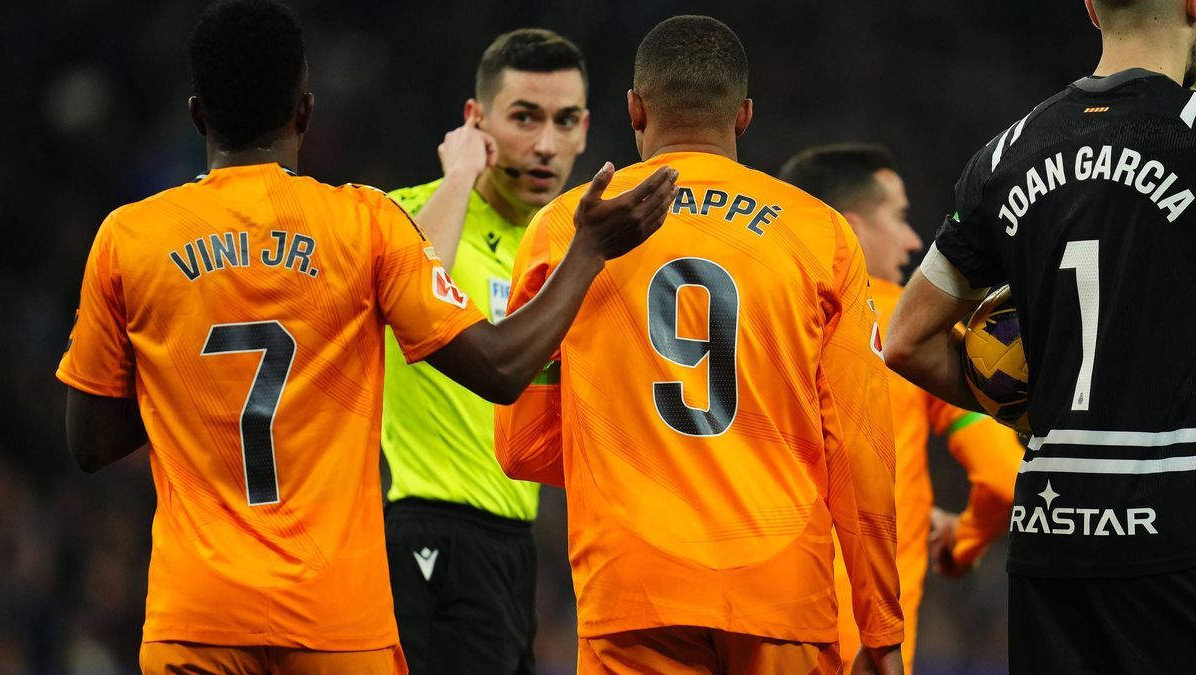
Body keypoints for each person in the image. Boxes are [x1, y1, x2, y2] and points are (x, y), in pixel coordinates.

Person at [55, 1, 677, 673]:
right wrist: (589, 250)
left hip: (196, 617)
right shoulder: (364, 225)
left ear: (199, 115)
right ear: (305, 112)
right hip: (338, 625)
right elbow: (500, 368)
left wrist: (187, 386)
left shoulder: (129, 238)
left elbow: (91, 444)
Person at [495, 15, 904, 675]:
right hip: (781, 588)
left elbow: (523, 446)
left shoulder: (565, 226)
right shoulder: (819, 233)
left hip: (633, 587)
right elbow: (858, 449)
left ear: (634, 108)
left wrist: (629, 447)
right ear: (743, 116)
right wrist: (880, 627)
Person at [884, 1, 1196, 671]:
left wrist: (1028, 402)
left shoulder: (1008, 150)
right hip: (1174, 529)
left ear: (1090, 8)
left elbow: (905, 339)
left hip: (1049, 532)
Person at [379, 29, 588, 674]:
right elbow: (411, 296)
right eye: (525, 118)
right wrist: (462, 176)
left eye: (565, 121)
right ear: (477, 119)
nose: (546, 145)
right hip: (427, 529)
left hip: (515, 546)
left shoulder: (559, 247)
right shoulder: (409, 215)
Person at [780, 144, 1023, 673]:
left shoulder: (758, 321)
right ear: (850, 227)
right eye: (900, 216)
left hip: (756, 634)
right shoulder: (907, 333)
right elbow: (1005, 477)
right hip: (866, 649)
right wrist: (962, 543)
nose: (915, 240)